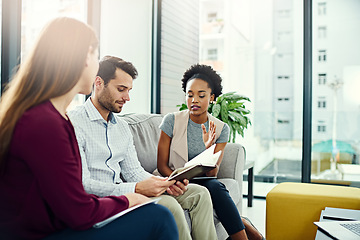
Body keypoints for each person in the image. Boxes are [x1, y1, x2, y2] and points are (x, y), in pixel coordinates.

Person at [0, 17, 177, 240]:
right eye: (95, 56)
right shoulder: (45, 123)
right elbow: (78, 211)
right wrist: (129, 198)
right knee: (158, 217)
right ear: (84, 58)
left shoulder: (52, 117)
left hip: (54, 225)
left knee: (154, 212)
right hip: (38, 234)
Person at [68, 56, 217, 240]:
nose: (127, 98)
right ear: (98, 83)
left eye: (129, 90)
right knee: (169, 206)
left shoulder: (121, 127)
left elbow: (134, 172)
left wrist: (165, 183)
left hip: (127, 189)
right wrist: (137, 188)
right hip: (104, 202)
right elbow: (83, 185)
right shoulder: (74, 123)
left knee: (200, 193)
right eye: (121, 89)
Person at [157, 64, 265, 240]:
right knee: (214, 189)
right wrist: (176, 181)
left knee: (215, 186)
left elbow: (213, 173)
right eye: (190, 95)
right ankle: (245, 226)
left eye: (201, 95)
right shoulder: (171, 121)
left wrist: (209, 147)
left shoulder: (221, 128)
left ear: (212, 97)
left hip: (203, 180)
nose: (194, 100)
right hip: (173, 178)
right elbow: (161, 165)